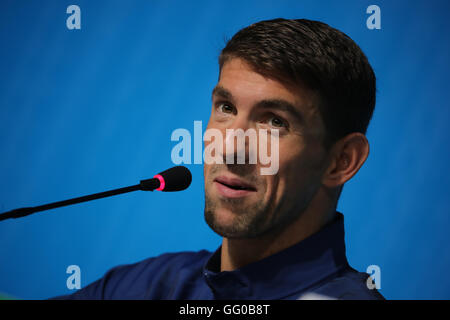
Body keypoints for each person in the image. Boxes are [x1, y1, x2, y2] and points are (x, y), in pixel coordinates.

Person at [53, 18, 384, 300]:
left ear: (342, 161)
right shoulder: (152, 284)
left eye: (275, 122)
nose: (228, 148)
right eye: (226, 108)